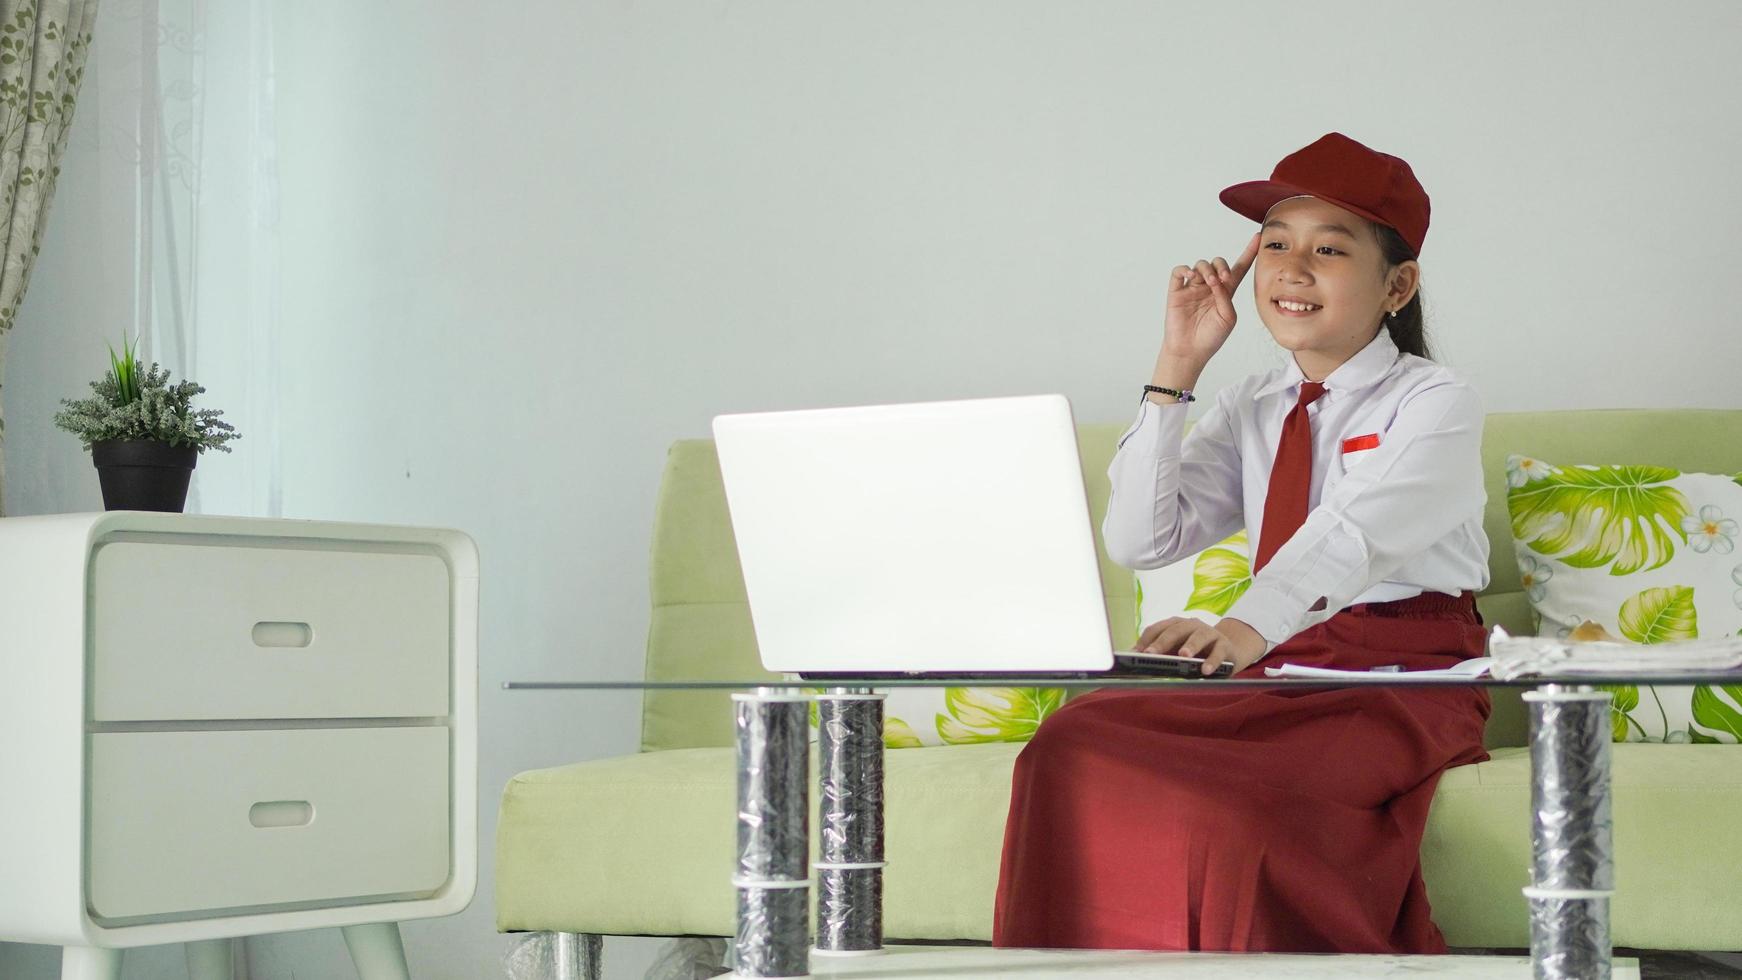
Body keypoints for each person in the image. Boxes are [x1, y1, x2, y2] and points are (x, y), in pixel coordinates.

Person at [992, 132, 1493, 954]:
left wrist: (1237, 628)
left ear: (1397, 283)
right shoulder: (1253, 402)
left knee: (1244, 808)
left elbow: (1355, 533)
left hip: (1411, 670)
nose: (1292, 270)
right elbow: (1140, 539)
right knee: (1069, 742)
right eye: (1275, 245)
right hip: (1283, 664)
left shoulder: (1438, 401)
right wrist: (1178, 365)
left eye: (1330, 249)